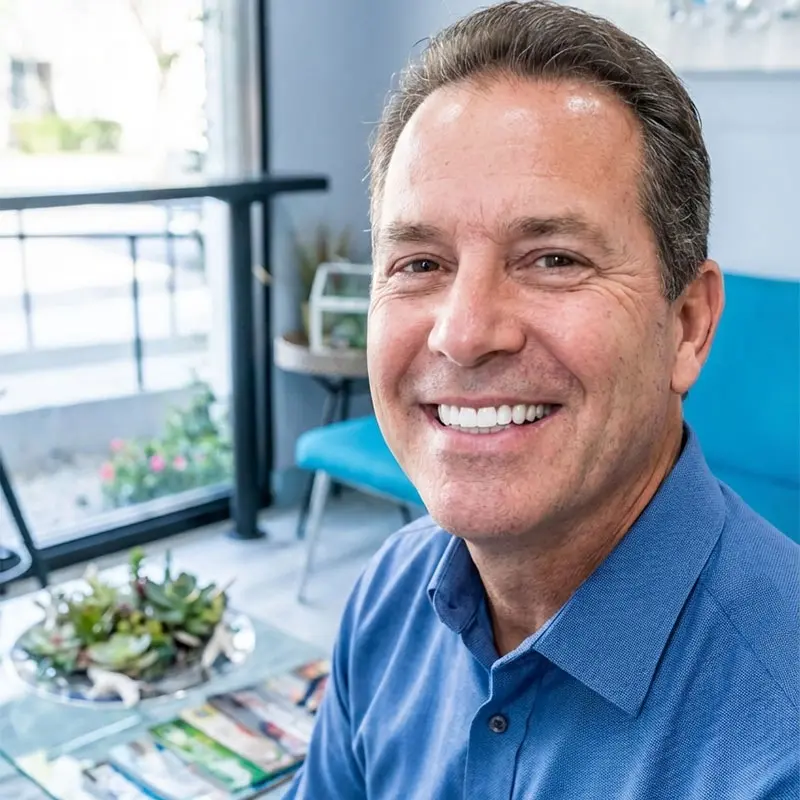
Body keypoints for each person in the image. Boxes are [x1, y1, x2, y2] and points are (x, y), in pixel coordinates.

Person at [285, 2, 799, 797]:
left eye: (553, 258)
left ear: (688, 326)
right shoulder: (388, 599)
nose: (463, 334)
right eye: (418, 262)